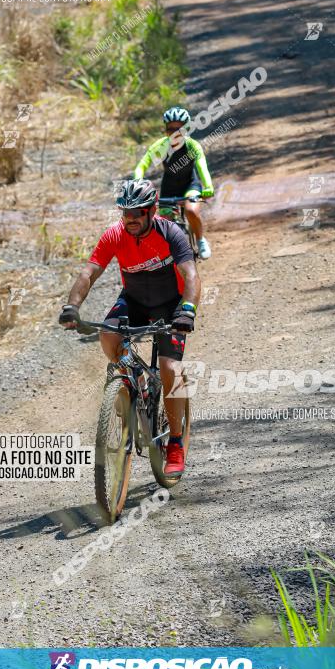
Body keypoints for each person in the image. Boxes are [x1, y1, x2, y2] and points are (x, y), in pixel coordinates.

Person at [59, 179, 201, 477]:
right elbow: (89, 272)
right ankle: (130, 387)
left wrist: (187, 311)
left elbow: (190, 275)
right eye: (125, 213)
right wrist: (71, 307)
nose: (130, 219)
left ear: (151, 210)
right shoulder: (114, 235)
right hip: (134, 301)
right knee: (108, 336)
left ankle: (175, 442)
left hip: (171, 305)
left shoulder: (170, 232)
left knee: (169, 367)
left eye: (137, 212)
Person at [134, 107, 214, 260]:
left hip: (190, 185)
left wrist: (208, 186)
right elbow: (142, 166)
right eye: (170, 129)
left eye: (180, 129)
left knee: (191, 211)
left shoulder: (192, 146)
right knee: (165, 225)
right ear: (165, 130)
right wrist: (138, 185)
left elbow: (201, 166)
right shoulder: (161, 146)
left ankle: (200, 239)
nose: (175, 133)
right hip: (168, 189)